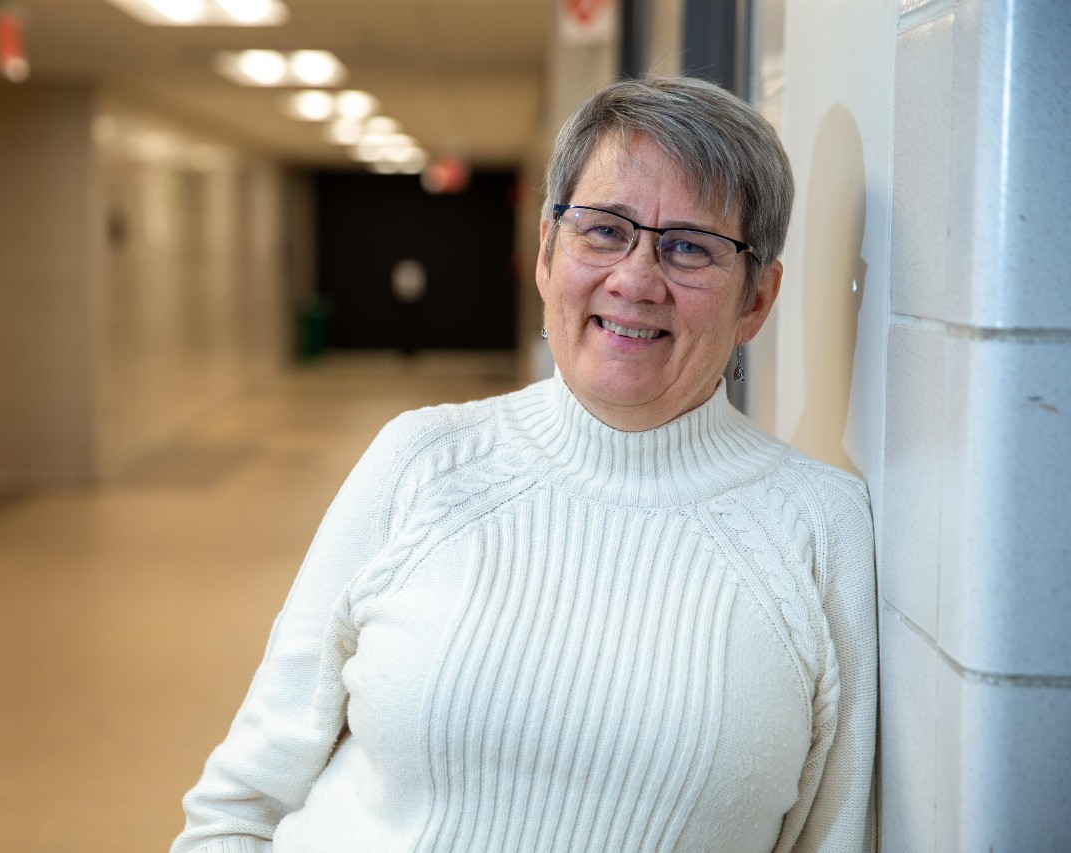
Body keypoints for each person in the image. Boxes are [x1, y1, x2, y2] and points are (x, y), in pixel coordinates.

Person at [170, 75, 877, 853]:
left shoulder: (822, 529)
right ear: (546, 250)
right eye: (605, 230)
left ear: (756, 300)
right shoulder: (420, 461)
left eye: (689, 247)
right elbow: (239, 808)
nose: (636, 280)